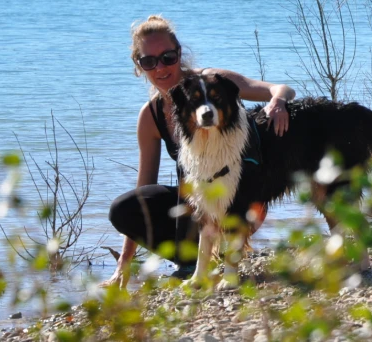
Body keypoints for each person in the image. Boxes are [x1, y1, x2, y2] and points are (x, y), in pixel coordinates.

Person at [104, 15, 295, 287]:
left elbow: (281, 89)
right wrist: (124, 263)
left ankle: (219, 254)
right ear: (139, 65)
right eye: (149, 61)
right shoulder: (150, 116)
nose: (160, 67)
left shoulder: (213, 83)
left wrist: (278, 103)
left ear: (179, 53)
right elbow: (144, 187)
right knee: (124, 209)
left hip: (241, 199)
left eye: (168, 57)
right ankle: (191, 261)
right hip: (202, 202)